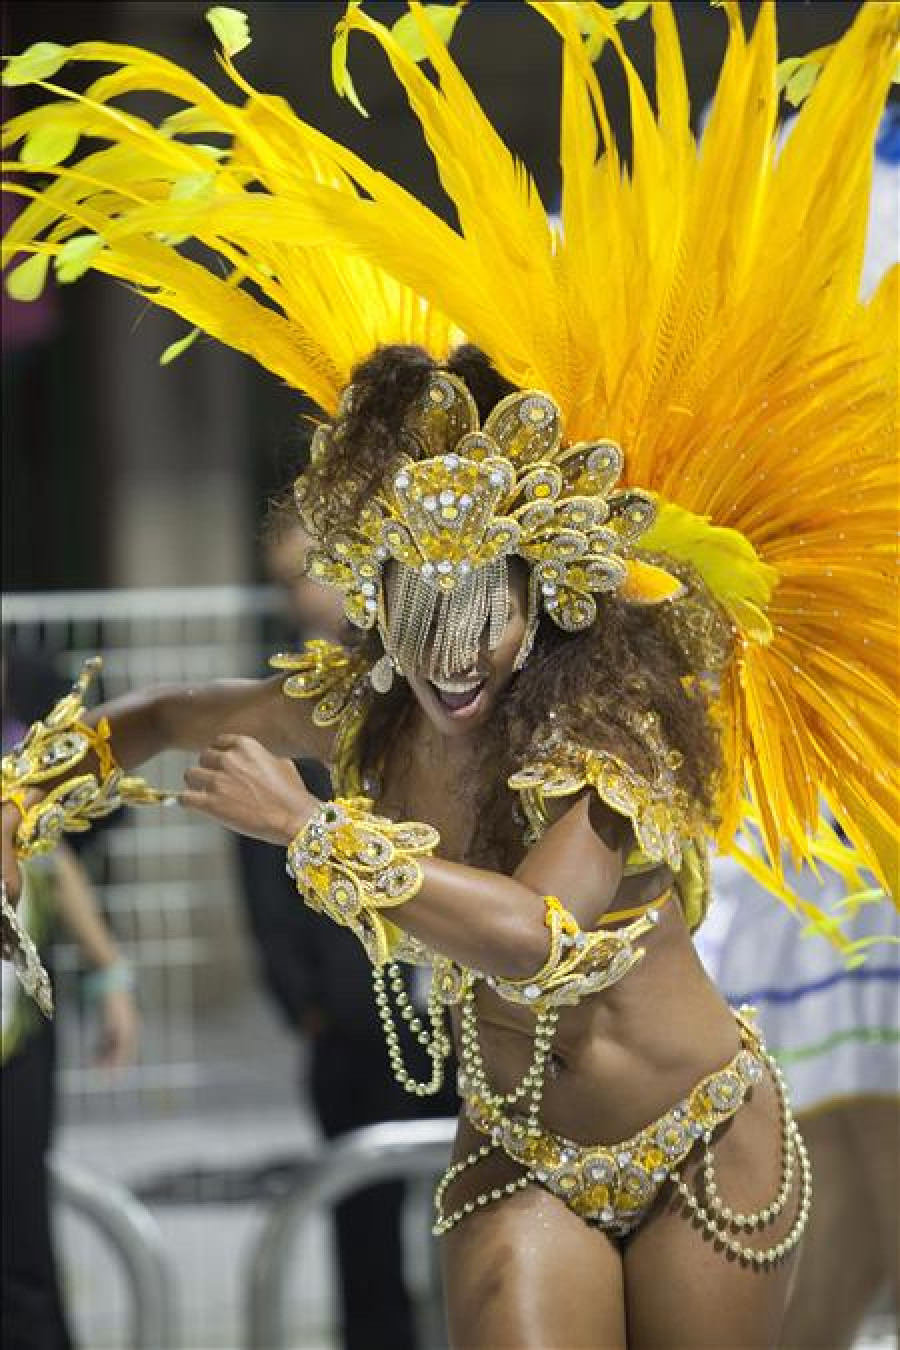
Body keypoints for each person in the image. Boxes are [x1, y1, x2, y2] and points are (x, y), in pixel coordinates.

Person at [1, 5, 897, 1347]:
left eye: (484, 617)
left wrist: (314, 830)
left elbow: (541, 936)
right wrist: (34, 786)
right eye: (420, 618)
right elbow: (179, 716)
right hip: (520, 1142)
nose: (453, 659)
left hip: (703, 1137)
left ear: (537, 605)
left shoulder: (612, 729)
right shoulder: (368, 702)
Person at [237, 510, 457, 1350]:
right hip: (348, 1009)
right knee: (359, 1226)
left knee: (467, 1213)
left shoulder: (431, 685)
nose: (299, 596)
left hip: (447, 992)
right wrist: (306, 1003)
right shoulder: (277, 698)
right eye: (285, 580)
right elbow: (257, 874)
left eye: (309, 572)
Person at [2, 661, 139, 1350]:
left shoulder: (13, 759)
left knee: (24, 1248)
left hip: (13, 1036)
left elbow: (53, 860)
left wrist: (112, 976)